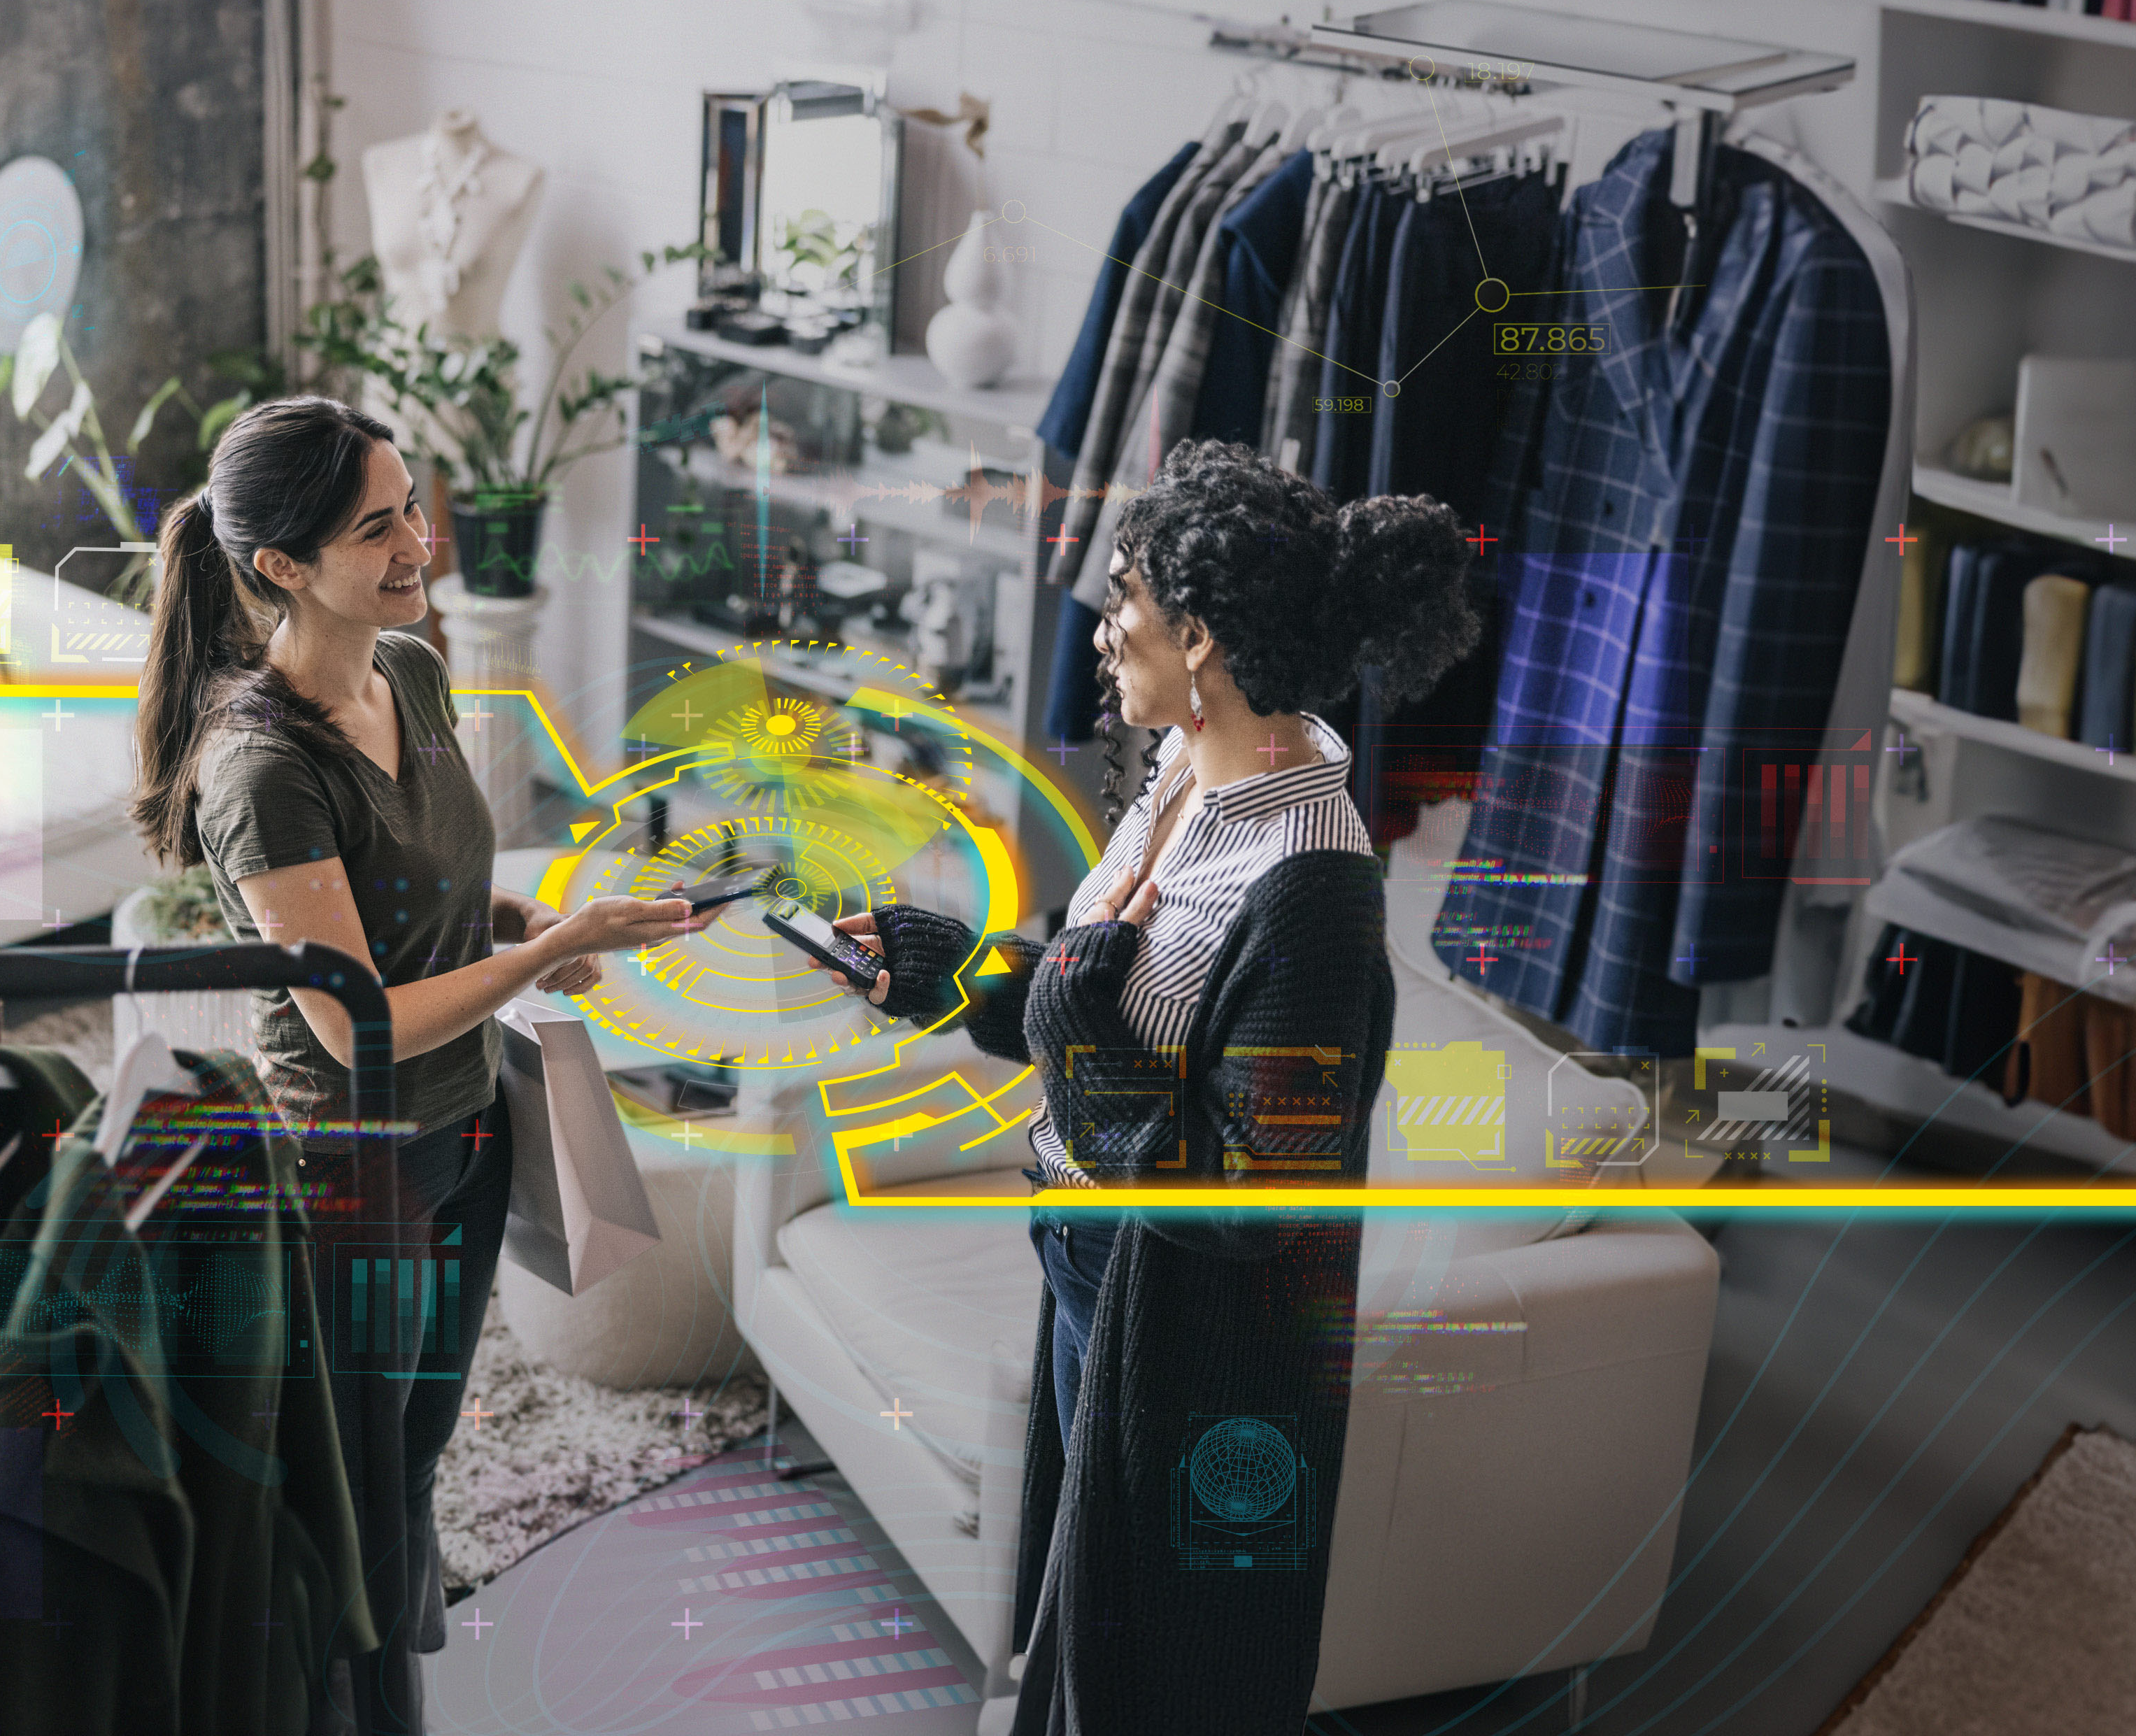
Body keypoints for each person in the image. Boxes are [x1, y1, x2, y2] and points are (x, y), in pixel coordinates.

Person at [817, 439, 1478, 1734]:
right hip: (1093, 1280)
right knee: (1074, 1643)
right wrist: (941, 972)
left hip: (1190, 1336)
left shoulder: (1313, 888)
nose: (1103, 626)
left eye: (1122, 597)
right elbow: (1097, 996)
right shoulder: (1180, 774)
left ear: (1203, 636)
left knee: (1155, 1684)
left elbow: (1248, 1198)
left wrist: (1067, 1018)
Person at [128, 394, 715, 1731]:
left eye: (412, 508)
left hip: (465, 1131)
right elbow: (357, 1024)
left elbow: (437, 893)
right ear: (280, 565)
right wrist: (537, 952)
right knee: (338, 1485)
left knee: (408, 1459)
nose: (419, 544)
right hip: (350, 1173)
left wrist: (524, 929)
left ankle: (383, 1688)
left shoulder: (415, 674)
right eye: (377, 526)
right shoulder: (262, 768)